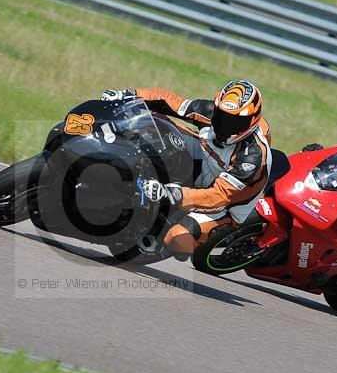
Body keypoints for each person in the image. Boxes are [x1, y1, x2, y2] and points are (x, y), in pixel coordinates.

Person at [101, 81, 272, 258]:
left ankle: (162, 237)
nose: (226, 125)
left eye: (235, 122)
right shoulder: (211, 112)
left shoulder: (252, 157)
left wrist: (174, 194)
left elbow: (218, 196)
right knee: (154, 124)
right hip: (207, 158)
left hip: (226, 204)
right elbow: (168, 101)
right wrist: (126, 96)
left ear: (252, 121)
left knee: (177, 239)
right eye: (222, 116)